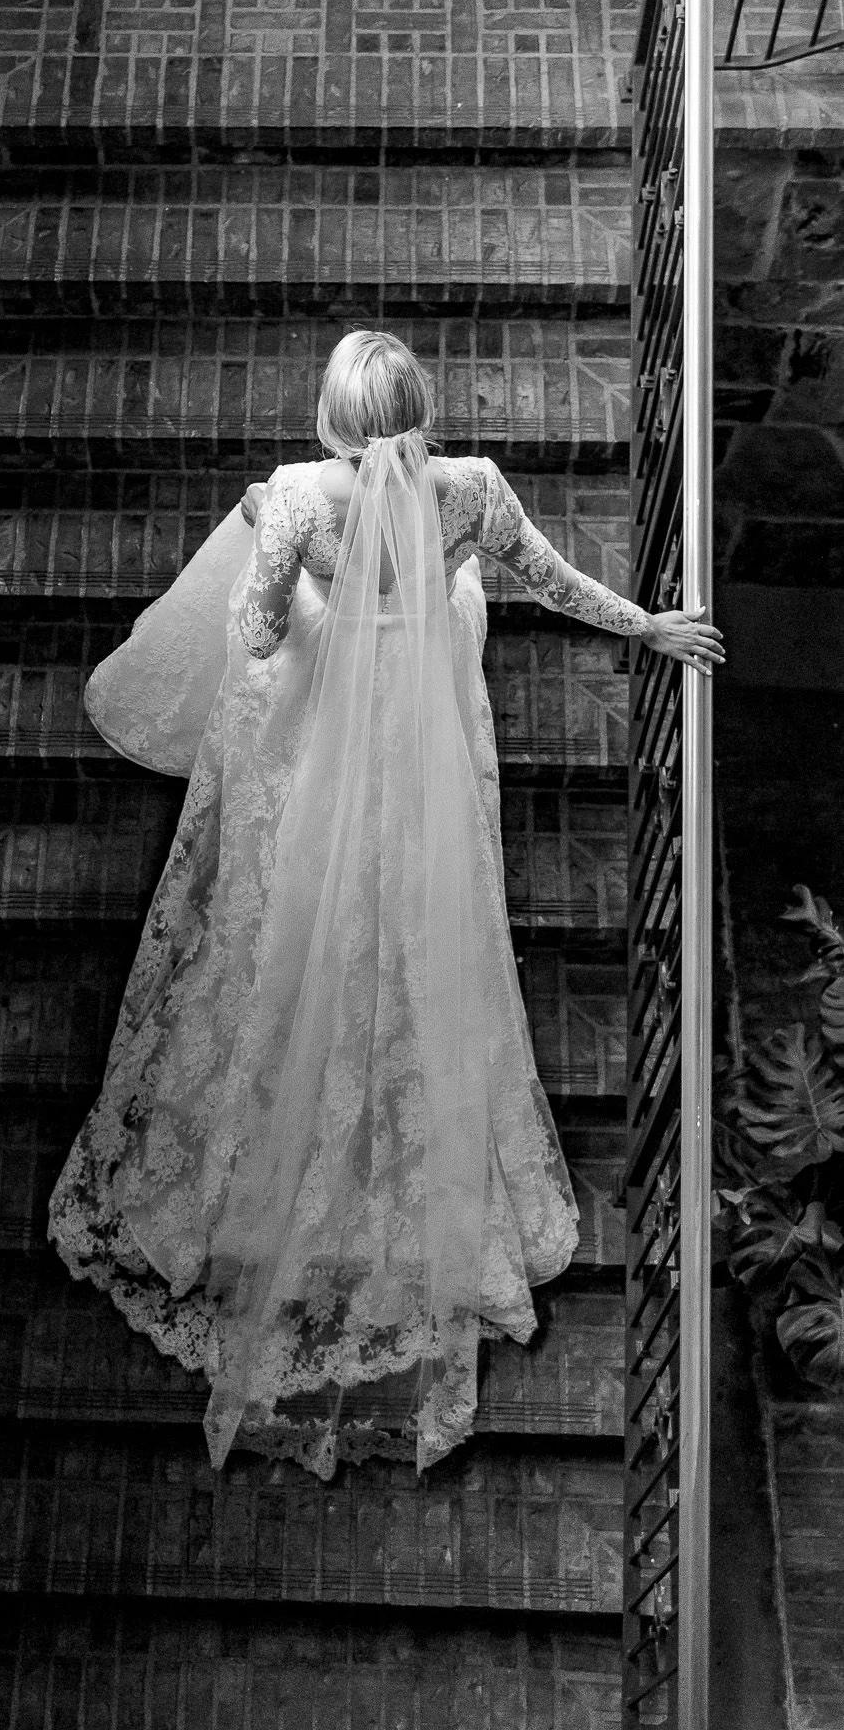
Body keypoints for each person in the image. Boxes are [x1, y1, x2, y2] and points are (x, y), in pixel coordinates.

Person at [47, 329, 723, 1479]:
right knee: (416, 924)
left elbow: (255, 633)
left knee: (283, 932)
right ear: (421, 409)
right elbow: (549, 579)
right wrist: (651, 626)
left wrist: (268, 530)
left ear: (334, 417)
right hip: (418, 751)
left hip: (317, 749)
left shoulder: (305, 498)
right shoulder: (474, 489)